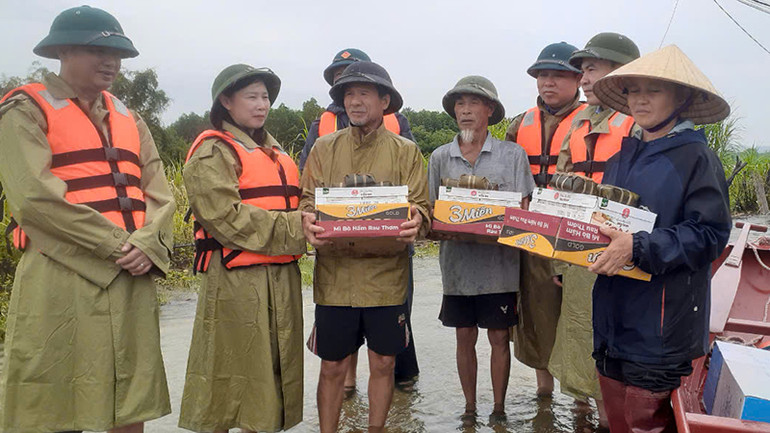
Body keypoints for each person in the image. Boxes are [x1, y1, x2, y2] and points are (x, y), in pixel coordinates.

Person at [0, 6, 174, 432]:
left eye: (116, 52)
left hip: (131, 274)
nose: (110, 61)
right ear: (61, 51)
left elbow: (160, 194)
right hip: (61, 277)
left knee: (131, 401)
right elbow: (35, 199)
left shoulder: (129, 116)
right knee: (54, 402)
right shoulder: (25, 109)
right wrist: (119, 246)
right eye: (95, 49)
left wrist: (147, 244)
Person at [590, 44, 731, 432]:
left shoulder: (697, 157)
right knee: (616, 420)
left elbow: (710, 233)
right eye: (634, 90)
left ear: (681, 98)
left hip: (661, 325)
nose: (640, 99)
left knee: (644, 423)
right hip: (611, 317)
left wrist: (636, 246)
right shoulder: (623, 155)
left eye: (652, 90)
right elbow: (607, 219)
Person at [300, 61, 430, 433]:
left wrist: (417, 218)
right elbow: (307, 202)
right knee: (332, 366)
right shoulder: (323, 149)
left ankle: (376, 429)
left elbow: (422, 207)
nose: (354, 102)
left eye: (364, 94)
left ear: (385, 101)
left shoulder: (406, 151)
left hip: (386, 276)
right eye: (348, 95)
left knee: (384, 363)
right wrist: (307, 219)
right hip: (335, 276)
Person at [178, 64, 306, 433]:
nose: (262, 104)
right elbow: (225, 218)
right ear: (226, 102)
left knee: (273, 374)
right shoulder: (213, 151)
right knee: (229, 377)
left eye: (265, 96)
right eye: (252, 96)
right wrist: (299, 226)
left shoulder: (274, 150)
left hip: (282, 275)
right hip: (236, 278)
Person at [428, 76, 535, 424]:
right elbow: (432, 210)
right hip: (457, 268)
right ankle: (470, 409)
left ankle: (499, 409)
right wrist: (441, 227)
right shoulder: (440, 158)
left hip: (499, 265)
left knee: (500, 336)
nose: (466, 111)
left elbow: (522, 209)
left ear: (489, 109)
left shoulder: (512, 155)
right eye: (460, 104)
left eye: (474, 104)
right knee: (464, 336)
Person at [547, 32, 640, 427]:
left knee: (615, 342)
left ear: (620, 75)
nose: (583, 79)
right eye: (583, 70)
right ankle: (592, 418)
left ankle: (612, 420)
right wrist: (556, 256)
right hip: (577, 252)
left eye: (592, 69)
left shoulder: (637, 124)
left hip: (623, 252)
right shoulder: (578, 121)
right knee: (580, 336)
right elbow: (559, 188)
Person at [505, 41, 586, 396]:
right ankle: (543, 393)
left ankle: (582, 400)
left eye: (557, 75)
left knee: (580, 317)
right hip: (531, 232)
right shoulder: (519, 123)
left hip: (578, 231)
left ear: (578, 79)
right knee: (536, 313)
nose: (548, 82)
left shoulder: (593, 119)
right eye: (542, 75)